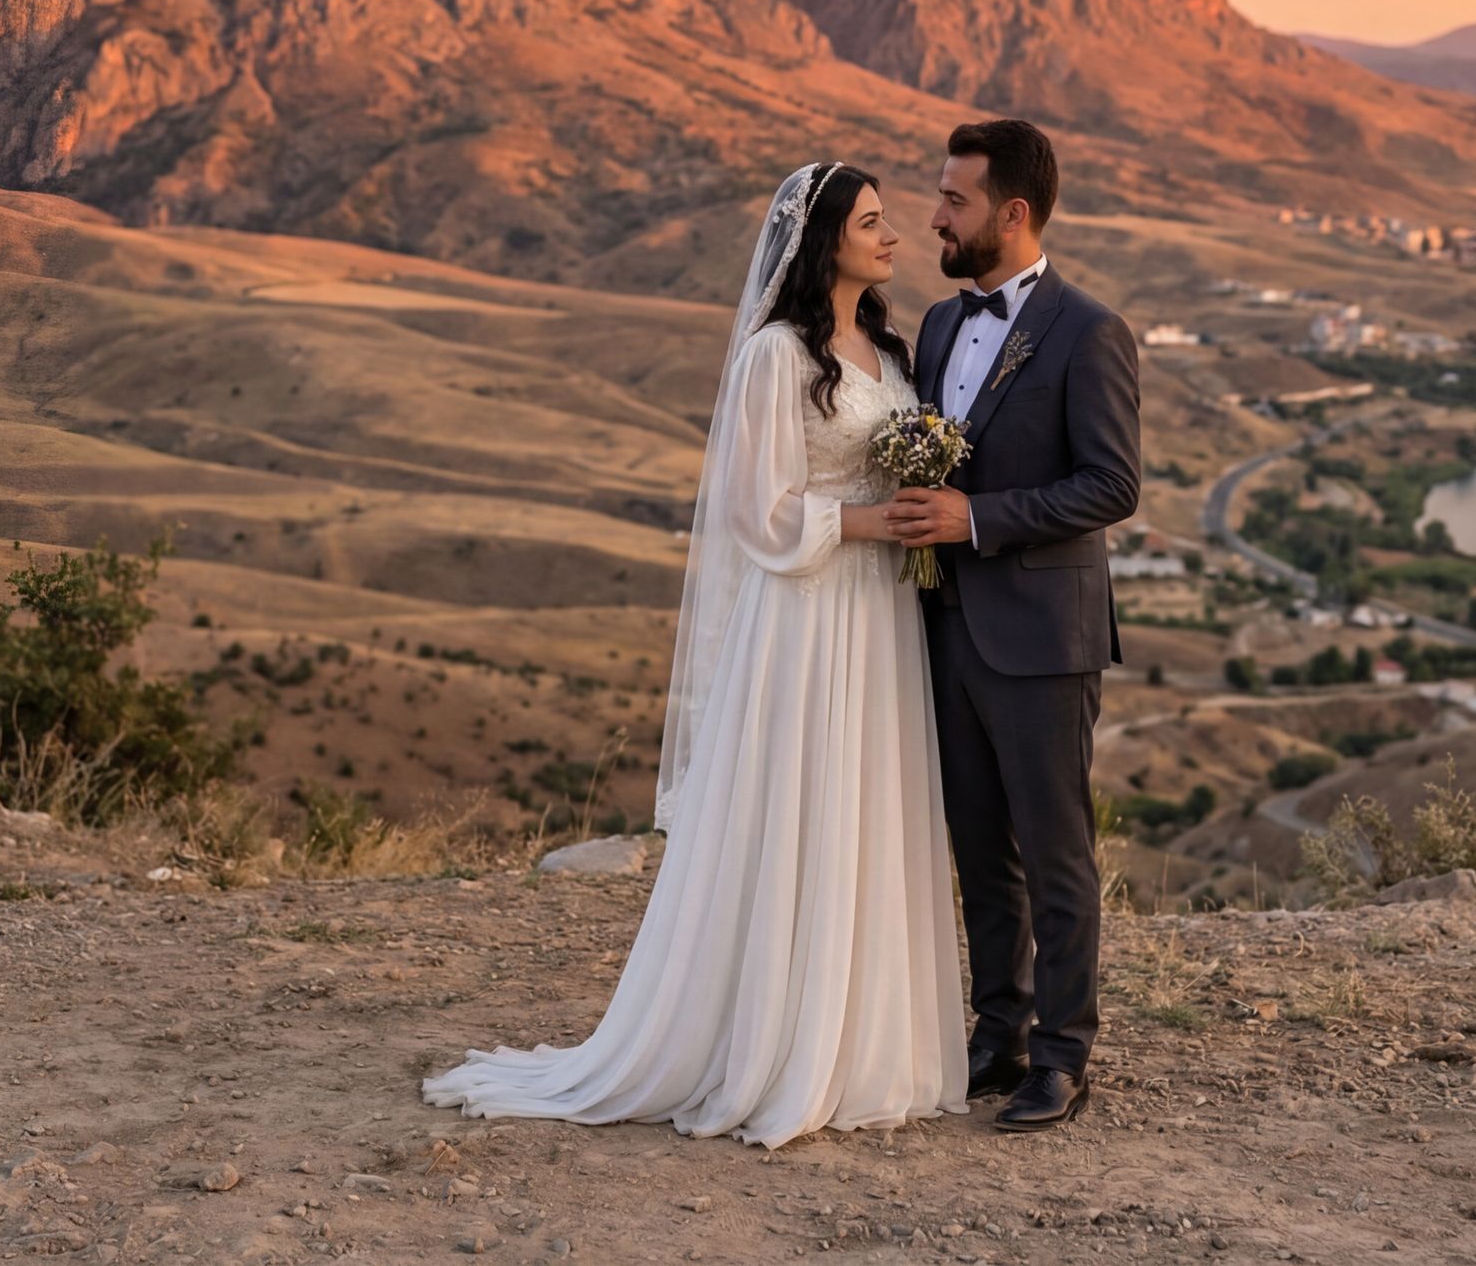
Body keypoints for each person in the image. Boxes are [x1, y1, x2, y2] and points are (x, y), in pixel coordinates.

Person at [422, 163, 964, 1148]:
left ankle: (864, 1044)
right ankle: (768, 1044)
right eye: (875, 223)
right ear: (826, 240)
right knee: (801, 809)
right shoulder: (772, 356)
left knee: (864, 805)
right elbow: (755, 509)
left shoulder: (887, 348)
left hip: (881, 621)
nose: (896, 238)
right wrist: (872, 522)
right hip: (808, 612)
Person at [886, 117, 1142, 1132]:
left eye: (953, 200)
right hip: (947, 627)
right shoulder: (942, 327)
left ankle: (1064, 1054)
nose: (935, 215)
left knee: (1055, 850)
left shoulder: (1091, 332)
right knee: (979, 845)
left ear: (1012, 212)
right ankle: (1000, 1030)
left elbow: (1112, 483)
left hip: (1042, 639)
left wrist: (978, 518)